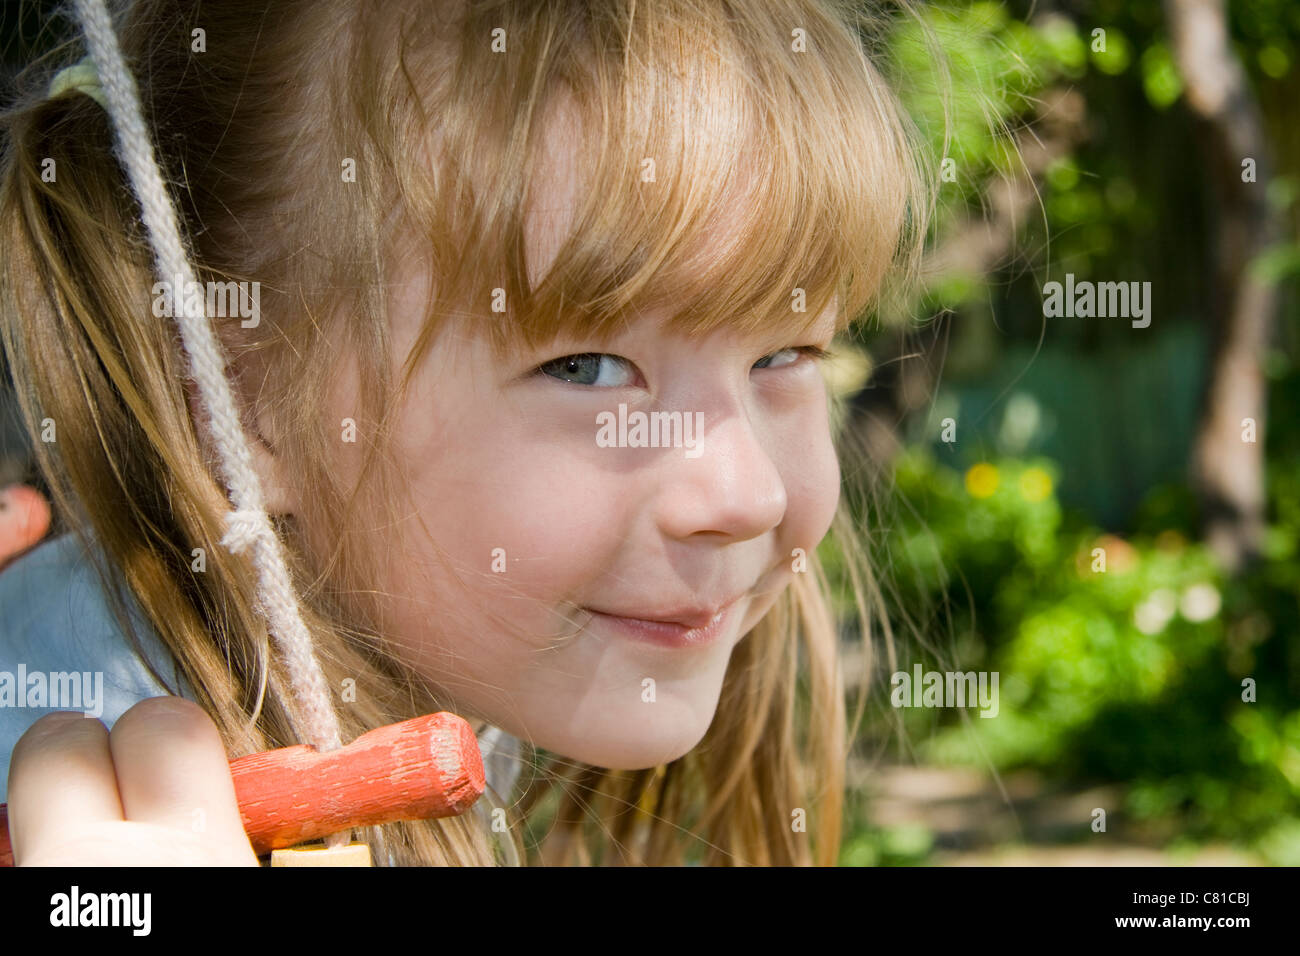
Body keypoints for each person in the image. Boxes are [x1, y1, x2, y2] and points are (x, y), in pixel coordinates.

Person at [0, 0, 930, 865]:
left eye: (788, 353)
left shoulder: (440, 661)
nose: (748, 495)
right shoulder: (71, 769)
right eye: (587, 368)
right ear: (237, 404)